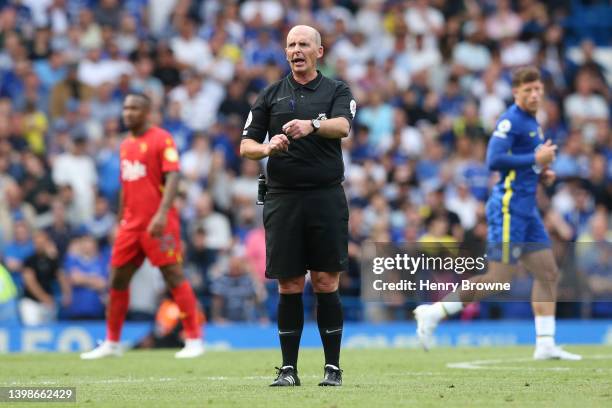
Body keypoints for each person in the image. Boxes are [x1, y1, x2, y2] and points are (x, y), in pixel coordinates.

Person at [414, 66, 581, 361]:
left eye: (537, 89)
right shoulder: (510, 120)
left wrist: (542, 172)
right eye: (527, 90)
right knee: (499, 278)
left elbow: (522, 164)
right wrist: (536, 158)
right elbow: (494, 160)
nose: (534, 94)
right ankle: (433, 312)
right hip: (508, 207)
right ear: (516, 92)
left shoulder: (533, 122)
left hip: (528, 209)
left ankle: (545, 343)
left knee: (548, 272)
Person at [240, 25, 356, 386]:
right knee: (288, 283)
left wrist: (312, 125)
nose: (296, 50)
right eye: (291, 44)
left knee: (324, 280)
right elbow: (246, 146)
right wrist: (268, 148)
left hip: (325, 195)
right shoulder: (271, 94)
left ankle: (332, 368)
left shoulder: (336, 90)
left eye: (304, 44)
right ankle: (288, 369)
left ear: (319, 51)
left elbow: (343, 126)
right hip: (283, 198)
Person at [80, 93, 204, 359]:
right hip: (131, 224)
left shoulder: (162, 139)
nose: (128, 112)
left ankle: (194, 339)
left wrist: (161, 213)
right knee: (117, 279)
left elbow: (173, 177)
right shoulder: (125, 145)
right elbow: (127, 185)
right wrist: (119, 220)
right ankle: (112, 342)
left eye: (134, 108)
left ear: (147, 112)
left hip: (159, 222)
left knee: (173, 275)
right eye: (125, 108)